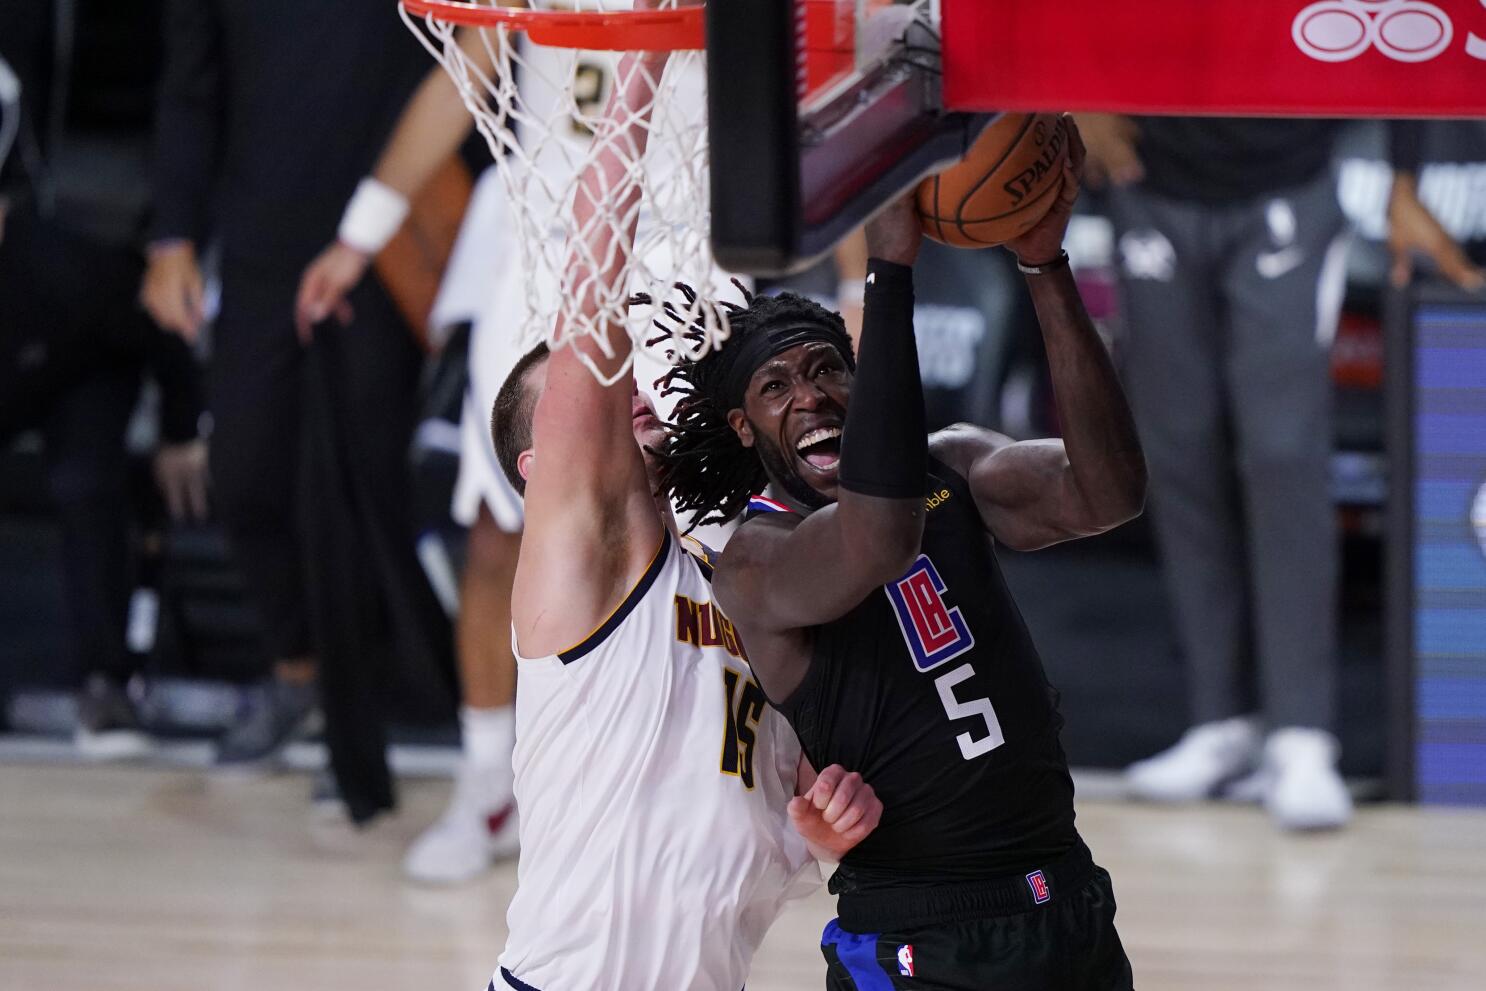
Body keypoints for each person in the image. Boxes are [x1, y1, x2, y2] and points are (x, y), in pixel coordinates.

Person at [656, 119, 1144, 990]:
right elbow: (878, 538)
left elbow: (1106, 491)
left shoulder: (951, 464)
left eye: (827, 371)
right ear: (743, 428)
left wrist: (1043, 266)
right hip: (921, 937)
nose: (811, 397)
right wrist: (889, 269)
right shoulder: (753, 561)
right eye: (777, 388)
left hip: (1065, 900)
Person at [488, 39, 883, 991]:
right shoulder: (585, 566)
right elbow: (591, 300)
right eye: (579, 392)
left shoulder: (752, 576)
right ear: (540, 468)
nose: (619, 386)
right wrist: (642, 65)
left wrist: (823, 827)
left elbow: (767, 838)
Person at [1078, 114, 1483, 831]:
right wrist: (1066, 95)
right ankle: (1221, 722)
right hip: (1150, 175)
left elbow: (1406, 15)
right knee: (1179, 450)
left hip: (1287, 177)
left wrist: (1405, 175)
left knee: (1283, 452)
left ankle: (1302, 732)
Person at [140, 0, 453, 822]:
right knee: (241, 472)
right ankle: (298, 670)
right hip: (261, 244)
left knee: (361, 487)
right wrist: (170, 237)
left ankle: (360, 720)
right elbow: (189, 91)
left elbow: (464, 63)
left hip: (390, 241)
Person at [0, 0, 208, 757]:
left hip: (82, 363)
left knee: (85, 479)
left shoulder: (59, 263)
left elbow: (156, 320)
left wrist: (185, 431)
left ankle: (104, 682)